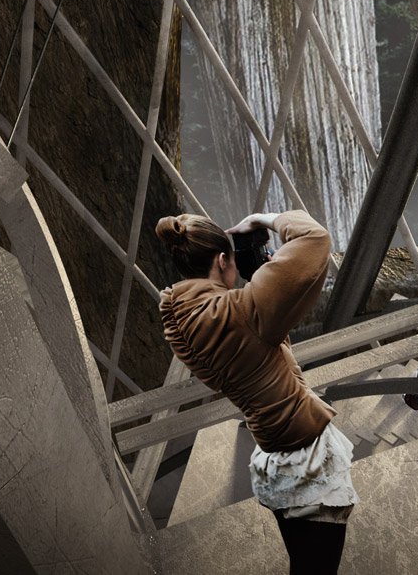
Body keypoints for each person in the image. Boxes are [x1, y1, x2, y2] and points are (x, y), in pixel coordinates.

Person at [157, 210, 354, 575]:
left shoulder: (182, 321)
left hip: (272, 456)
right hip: (305, 458)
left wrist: (256, 285)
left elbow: (255, 347)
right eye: (232, 260)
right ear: (222, 261)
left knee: (304, 564)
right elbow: (316, 239)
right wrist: (264, 218)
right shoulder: (243, 311)